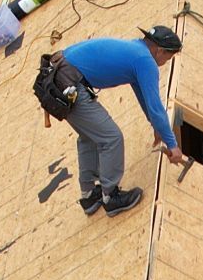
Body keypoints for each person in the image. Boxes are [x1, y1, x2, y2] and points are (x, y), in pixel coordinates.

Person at [53, 25, 189, 216]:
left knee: (89, 136)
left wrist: (156, 126)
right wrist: (172, 144)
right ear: (160, 50)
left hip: (57, 78)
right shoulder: (145, 61)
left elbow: (145, 98)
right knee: (111, 137)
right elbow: (157, 107)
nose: (165, 62)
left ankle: (89, 196)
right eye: (168, 58)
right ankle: (111, 197)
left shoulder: (136, 50)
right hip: (69, 84)